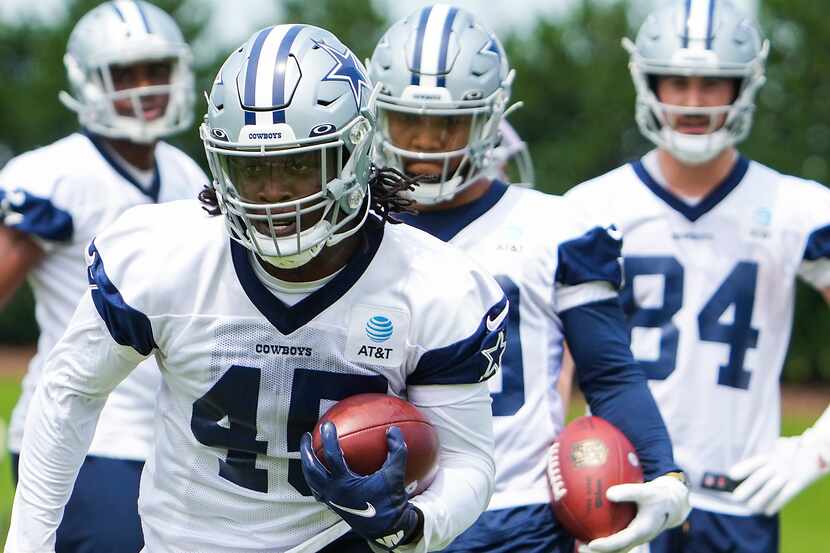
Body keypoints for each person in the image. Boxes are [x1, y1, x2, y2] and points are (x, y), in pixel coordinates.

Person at [5, 24, 507, 553]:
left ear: (354, 154)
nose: (272, 195)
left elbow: (468, 461)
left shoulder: (433, 285)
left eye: (295, 165)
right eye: (251, 170)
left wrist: (414, 523)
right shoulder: (162, 256)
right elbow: (69, 393)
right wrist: (28, 543)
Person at [367, 5, 690, 553]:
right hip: (381, 509)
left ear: (491, 119)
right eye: (407, 119)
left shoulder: (556, 227)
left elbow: (608, 372)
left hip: (517, 518)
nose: (424, 143)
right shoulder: (348, 231)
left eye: (448, 122)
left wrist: (663, 473)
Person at [565, 1, 830, 551]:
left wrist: (819, 447)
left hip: (738, 500)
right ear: (648, 81)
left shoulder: (793, 207)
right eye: (676, 81)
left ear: (743, 87)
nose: (692, 101)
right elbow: (554, 370)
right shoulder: (591, 208)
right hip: (622, 492)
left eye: (712, 84)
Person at [0, 1, 205, 551]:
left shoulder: (187, 174)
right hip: (86, 432)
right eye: (127, 73)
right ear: (91, 81)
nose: (144, 88)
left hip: (169, 437)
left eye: (156, 71)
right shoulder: (56, 173)